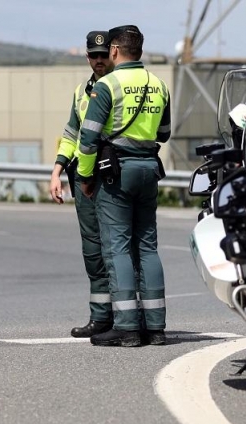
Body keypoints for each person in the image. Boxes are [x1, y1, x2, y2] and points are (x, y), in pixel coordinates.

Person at [76, 25, 171, 347]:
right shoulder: (159, 85)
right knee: (147, 246)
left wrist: (86, 178)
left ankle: (127, 326)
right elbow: (165, 133)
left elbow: (87, 140)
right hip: (149, 169)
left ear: (114, 50)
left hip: (117, 172)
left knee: (116, 247)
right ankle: (156, 327)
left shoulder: (107, 86)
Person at [49, 30, 115, 338]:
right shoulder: (81, 91)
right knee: (93, 248)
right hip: (81, 176)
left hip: (111, 174)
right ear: (87, 57)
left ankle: (130, 316)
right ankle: (100, 316)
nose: (99, 61)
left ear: (113, 55)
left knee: (118, 247)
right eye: (94, 56)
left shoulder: (117, 86)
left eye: (104, 55)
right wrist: (57, 170)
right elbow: (71, 133)